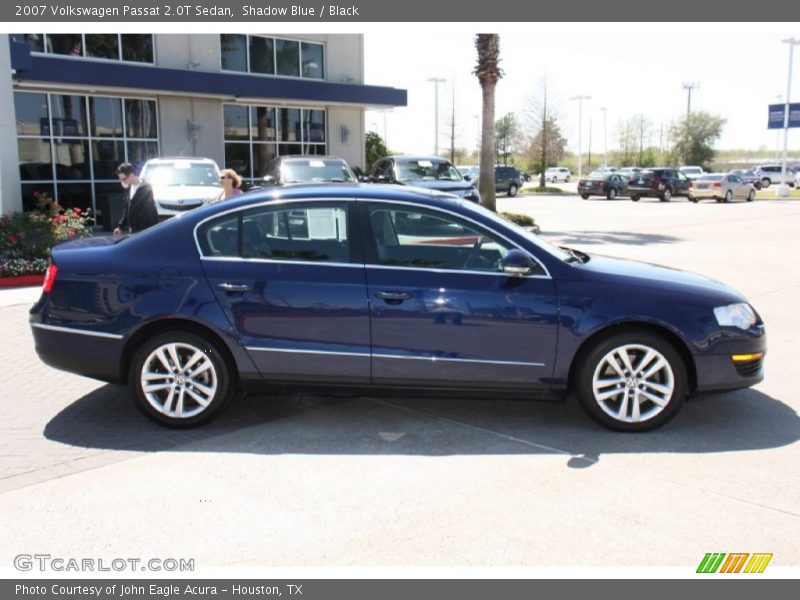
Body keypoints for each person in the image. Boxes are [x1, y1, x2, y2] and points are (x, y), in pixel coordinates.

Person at [113, 162, 159, 235]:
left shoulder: (146, 188)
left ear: (131, 175)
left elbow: (149, 212)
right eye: (120, 179)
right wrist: (120, 227)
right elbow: (127, 209)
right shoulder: (129, 188)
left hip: (145, 232)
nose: (122, 182)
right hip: (134, 231)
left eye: (124, 179)